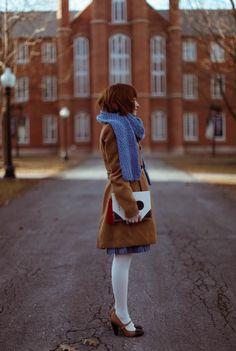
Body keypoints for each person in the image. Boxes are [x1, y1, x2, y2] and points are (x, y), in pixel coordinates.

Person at [96, 83, 157, 337]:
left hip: (134, 194)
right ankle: (121, 314)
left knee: (126, 256)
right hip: (125, 199)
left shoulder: (125, 126)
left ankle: (120, 313)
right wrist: (131, 208)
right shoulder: (113, 129)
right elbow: (116, 175)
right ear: (122, 101)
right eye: (133, 99)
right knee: (122, 256)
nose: (137, 104)